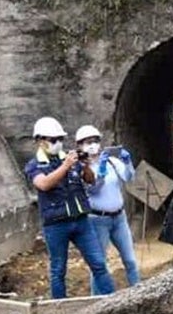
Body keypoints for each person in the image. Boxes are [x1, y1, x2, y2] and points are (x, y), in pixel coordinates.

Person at [24, 117, 115, 299]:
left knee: (99, 264)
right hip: (56, 225)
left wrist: (86, 166)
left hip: (81, 221)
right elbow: (43, 185)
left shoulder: (68, 158)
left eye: (60, 139)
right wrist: (65, 167)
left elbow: (90, 180)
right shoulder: (34, 165)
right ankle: (60, 310)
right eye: (53, 140)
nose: (58, 143)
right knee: (58, 270)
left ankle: (112, 301)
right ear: (40, 141)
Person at [76, 124, 142, 287]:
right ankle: (96, 300)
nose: (92, 145)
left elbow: (129, 178)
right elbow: (94, 189)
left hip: (119, 218)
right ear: (80, 145)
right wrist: (102, 171)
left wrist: (127, 162)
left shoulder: (112, 162)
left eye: (95, 141)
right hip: (98, 220)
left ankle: (139, 291)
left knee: (130, 260)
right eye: (87, 142)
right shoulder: (80, 168)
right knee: (99, 265)